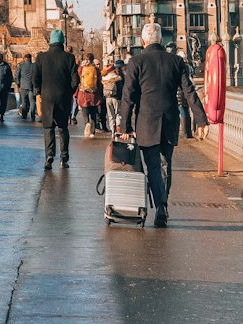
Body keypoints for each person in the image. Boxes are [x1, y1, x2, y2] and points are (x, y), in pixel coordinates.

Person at [118, 22, 209, 227]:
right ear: (160, 40)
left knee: (152, 165)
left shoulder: (136, 62)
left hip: (146, 122)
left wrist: (124, 126)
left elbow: (128, 96)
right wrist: (201, 120)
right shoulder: (176, 61)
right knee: (166, 164)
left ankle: (160, 206)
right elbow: (189, 92)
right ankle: (162, 205)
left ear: (143, 41)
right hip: (169, 120)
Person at [34, 29, 79, 169]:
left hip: (47, 96)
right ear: (62, 42)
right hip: (63, 97)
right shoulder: (69, 58)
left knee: (48, 127)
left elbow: (36, 79)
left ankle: (49, 155)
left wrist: (40, 91)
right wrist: (68, 91)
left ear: (50, 42)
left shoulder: (41, 57)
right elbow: (75, 80)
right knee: (63, 128)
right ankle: (64, 158)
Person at [77, 54, 104, 137]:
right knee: (93, 113)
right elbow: (99, 81)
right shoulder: (96, 69)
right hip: (94, 94)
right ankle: (92, 132)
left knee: (85, 112)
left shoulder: (81, 69)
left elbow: (78, 79)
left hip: (83, 93)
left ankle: (87, 123)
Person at [101, 56, 123, 134]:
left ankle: (112, 130)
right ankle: (118, 126)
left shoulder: (104, 78)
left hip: (107, 97)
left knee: (110, 115)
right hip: (116, 97)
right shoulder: (118, 78)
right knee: (118, 113)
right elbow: (121, 88)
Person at [15, 53, 36, 120]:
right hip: (31, 87)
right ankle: (33, 115)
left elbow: (17, 76)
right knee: (32, 102)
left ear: (25, 58)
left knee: (24, 101)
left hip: (23, 86)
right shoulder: (34, 66)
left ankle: (24, 115)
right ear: (30, 58)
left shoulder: (21, 65)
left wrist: (18, 84)